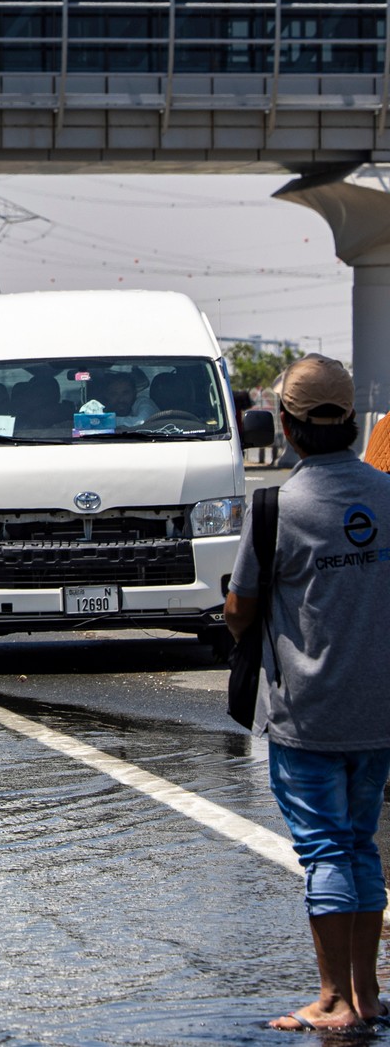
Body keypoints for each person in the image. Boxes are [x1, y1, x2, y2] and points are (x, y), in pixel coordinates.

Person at [225, 355, 390, 1034]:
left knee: (325, 850)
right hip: (379, 711)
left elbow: (241, 606)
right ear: (351, 421)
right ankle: (369, 995)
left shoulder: (276, 507)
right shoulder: (387, 494)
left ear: (286, 429)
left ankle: (332, 1000)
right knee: (361, 845)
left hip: (308, 715)